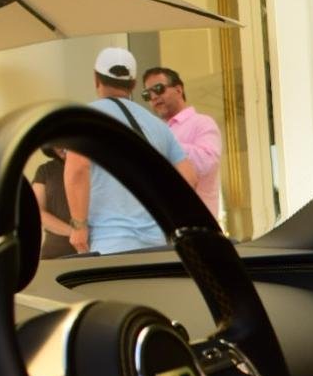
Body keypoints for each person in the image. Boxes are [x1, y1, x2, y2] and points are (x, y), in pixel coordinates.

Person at [64, 46, 198, 255]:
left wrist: (78, 226)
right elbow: (190, 177)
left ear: (96, 79)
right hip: (156, 244)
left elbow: (78, 169)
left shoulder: (85, 117)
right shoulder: (157, 125)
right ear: (133, 84)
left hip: (110, 242)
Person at [141, 66, 222, 221]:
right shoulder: (156, 130)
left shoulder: (202, 123)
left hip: (197, 222)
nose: (154, 97)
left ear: (178, 90)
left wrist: (167, 145)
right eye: (147, 94)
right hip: (163, 224)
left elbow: (208, 162)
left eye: (158, 89)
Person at [31, 145, 74, 259]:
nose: (59, 145)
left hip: (97, 247)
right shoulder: (45, 170)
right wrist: (74, 233)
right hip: (55, 252)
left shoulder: (95, 168)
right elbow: (38, 212)